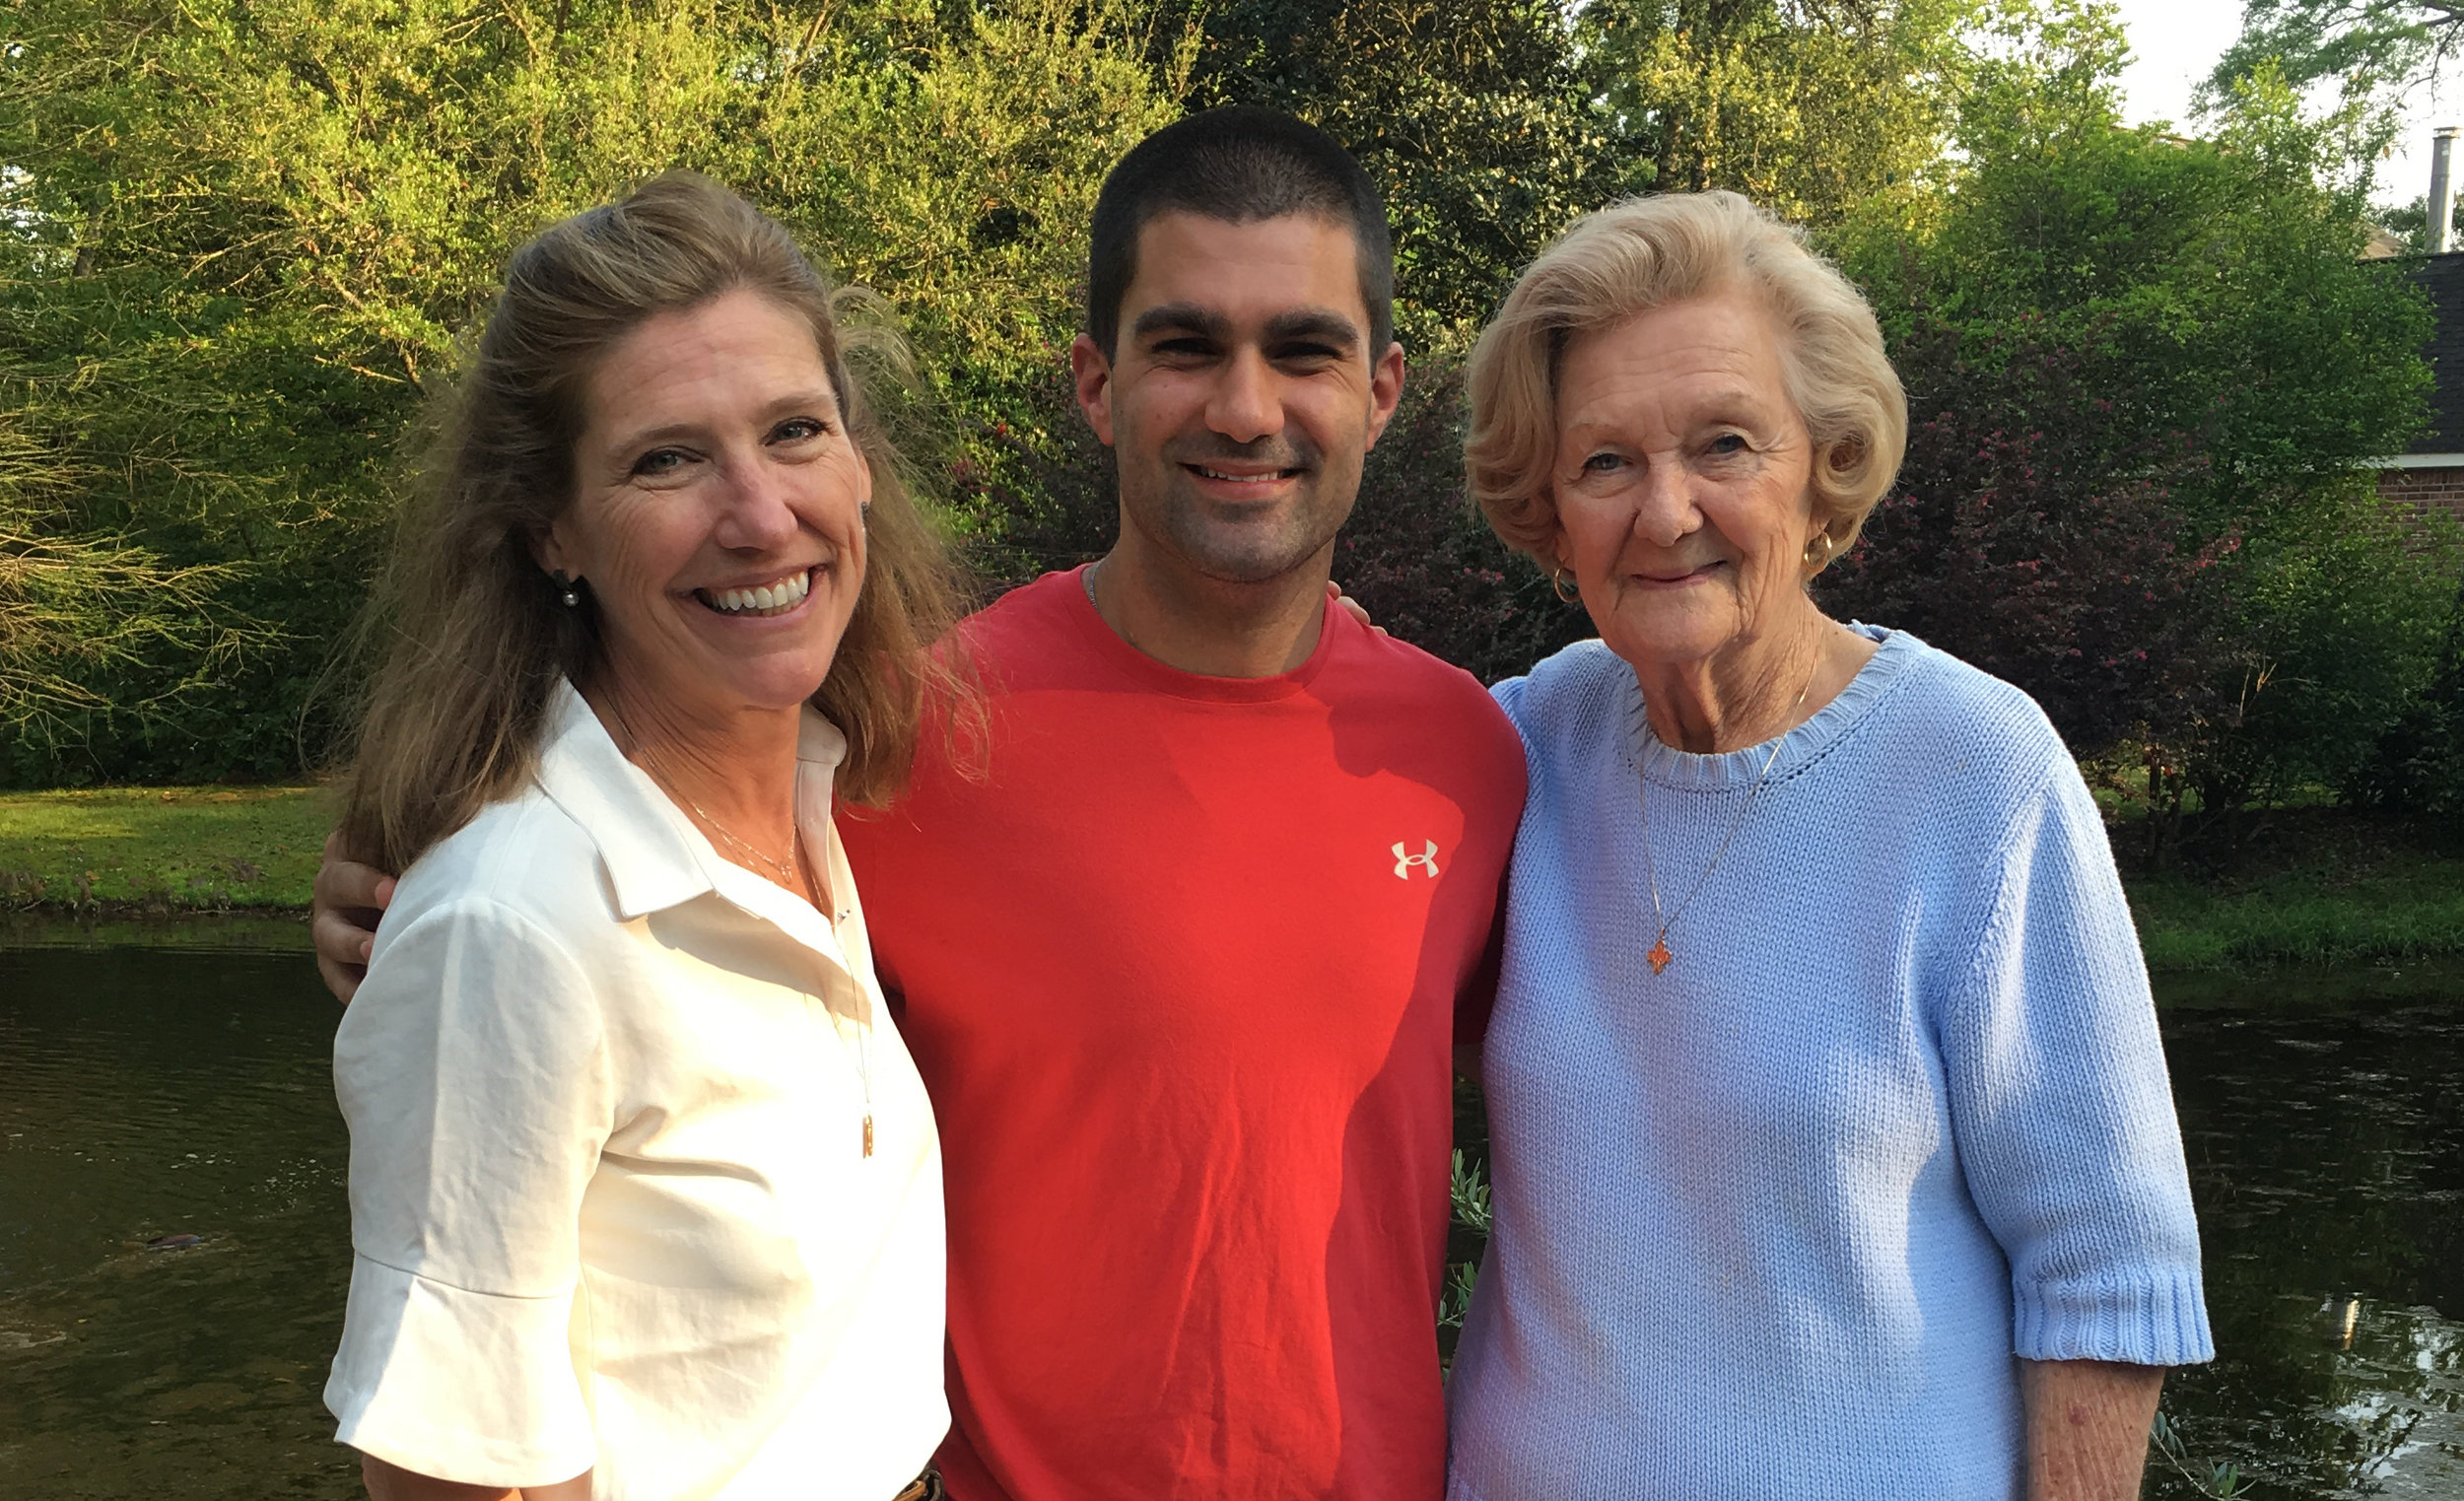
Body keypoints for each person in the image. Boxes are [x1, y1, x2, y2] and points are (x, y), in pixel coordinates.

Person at [314, 110, 1526, 1499]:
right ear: (1094, 382)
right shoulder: (915, 732)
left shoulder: (1466, 758)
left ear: (1380, 390)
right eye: (1186, 347)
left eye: (1302, 350)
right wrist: (404, 885)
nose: (1247, 408)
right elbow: (557, 882)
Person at [1442, 190, 2214, 1500]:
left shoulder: (1974, 768)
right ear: (1550, 502)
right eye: (1606, 461)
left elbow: (2105, 1274)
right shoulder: (1514, 749)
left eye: (1725, 444)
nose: (1665, 508)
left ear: (1824, 466)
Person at [321, 172, 966, 1501]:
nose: (759, 512)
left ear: (858, 463)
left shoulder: (821, 801)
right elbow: (446, 1475)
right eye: (666, 457)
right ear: (552, 527)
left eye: (795, 431)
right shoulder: (512, 922)